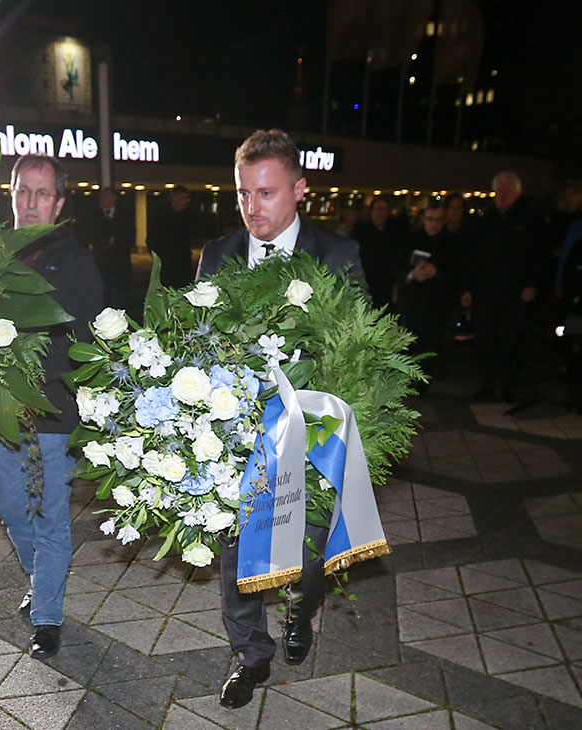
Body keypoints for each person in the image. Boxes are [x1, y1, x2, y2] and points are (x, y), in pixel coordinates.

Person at [197, 129, 365, 710]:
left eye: (266, 193)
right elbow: (198, 343)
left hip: (310, 435)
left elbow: (358, 351)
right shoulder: (216, 256)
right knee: (236, 550)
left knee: (307, 552)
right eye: (243, 194)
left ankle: (300, 611)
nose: (252, 208)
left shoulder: (337, 256)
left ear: (299, 190)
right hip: (234, 432)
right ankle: (250, 654)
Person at [0, 155, 102, 659]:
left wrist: (30, 381)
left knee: (49, 516)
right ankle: (40, 575)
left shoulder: (75, 263)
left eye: (41, 193)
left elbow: (85, 341)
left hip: (52, 415)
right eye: (22, 192)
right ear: (11, 195)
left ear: (58, 202)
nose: (30, 202)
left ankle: (47, 615)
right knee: (12, 511)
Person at [462, 171, 543, 402]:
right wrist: (468, 288)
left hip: (515, 294)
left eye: (508, 191)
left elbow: (540, 256)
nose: (503, 195)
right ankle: (487, 384)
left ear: (517, 192)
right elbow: (472, 257)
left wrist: (532, 284)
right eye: (500, 191)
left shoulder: (530, 219)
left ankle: (508, 386)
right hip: (486, 293)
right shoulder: (485, 219)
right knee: (485, 339)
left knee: (510, 341)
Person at [397, 200, 462, 385]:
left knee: (434, 343)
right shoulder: (410, 240)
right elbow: (397, 267)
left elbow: (458, 271)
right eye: (430, 219)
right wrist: (412, 274)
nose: (433, 224)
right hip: (412, 303)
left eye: (438, 220)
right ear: (423, 219)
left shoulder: (452, 243)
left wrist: (437, 271)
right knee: (411, 342)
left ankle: (428, 378)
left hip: (438, 304)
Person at [83, 187, 135, 310]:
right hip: (102, 262)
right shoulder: (93, 216)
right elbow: (87, 235)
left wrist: (117, 241)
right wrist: (103, 242)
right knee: (104, 293)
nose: (103, 200)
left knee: (122, 294)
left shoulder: (124, 215)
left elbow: (130, 235)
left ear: (113, 199)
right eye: (102, 197)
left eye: (106, 197)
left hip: (121, 262)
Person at [353, 196, 405, 310]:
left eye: (384, 209)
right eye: (378, 209)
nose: (381, 213)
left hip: (388, 282)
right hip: (368, 280)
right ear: (372, 211)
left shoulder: (396, 230)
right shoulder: (361, 231)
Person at [148, 185, 193, 287]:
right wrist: (158, 258)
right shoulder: (160, 217)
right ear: (174, 199)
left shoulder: (186, 217)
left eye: (187, 199)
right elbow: (152, 240)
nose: (185, 201)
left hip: (182, 264)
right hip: (166, 264)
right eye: (182, 198)